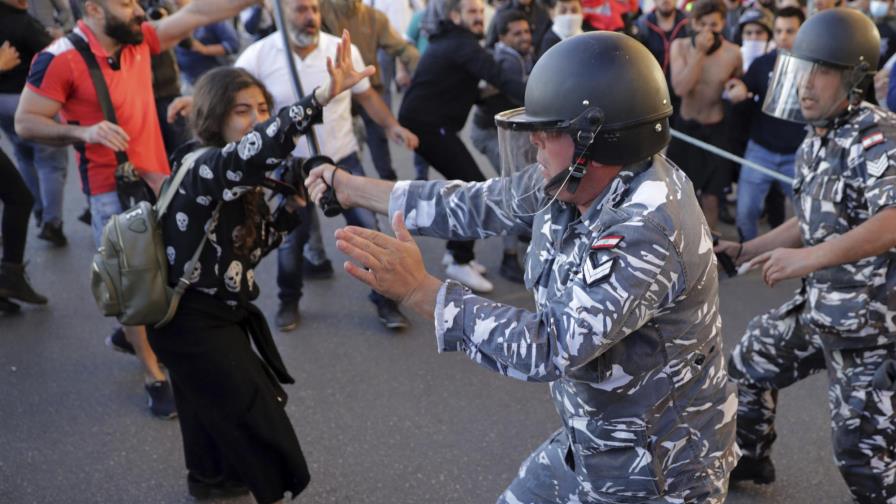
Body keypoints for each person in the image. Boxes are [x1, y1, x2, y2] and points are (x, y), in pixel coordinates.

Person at [307, 31, 739, 503]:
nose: (535, 141)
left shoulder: (647, 226)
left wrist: (421, 291)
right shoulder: (571, 179)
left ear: (597, 141)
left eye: (549, 131)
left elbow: (551, 346)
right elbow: (479, 203)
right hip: (597, 440)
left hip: (658, 471)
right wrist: (351, 188)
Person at [15, 0, 264, 418]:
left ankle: (135, 333)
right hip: (110, 190)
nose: (138, 9)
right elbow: (26, 121)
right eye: (126, 2)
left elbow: (200, 14)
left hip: (160, 181)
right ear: (93, 9)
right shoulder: (58, 60)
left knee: (167, 273)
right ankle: (153, 373)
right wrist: (83, 131)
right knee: (134, 284)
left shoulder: (137, 41)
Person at [148, 41, 371, 501]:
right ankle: (264, 486)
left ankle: (212, 482)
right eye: (242, 111)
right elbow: (256, 148)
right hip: (189, 320)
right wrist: (319, 97)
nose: (254, 119)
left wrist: (291, 207)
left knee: (205, 411)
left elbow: (245, 255)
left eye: (263, 108)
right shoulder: (207, 165)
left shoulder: (236, 179)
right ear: (215, 117)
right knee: (256, 413)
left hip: (211, 313)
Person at [714, 9, 896, 502]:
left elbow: (892, 220)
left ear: (854, 79)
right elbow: (814, 217)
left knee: (862, 458)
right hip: (824, 307)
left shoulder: (877, 137)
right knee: (748, 362)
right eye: (801, 69)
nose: (805, 84)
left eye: (822, 71)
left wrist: (809, 260)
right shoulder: (816, 141)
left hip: (874, 326)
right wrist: (747, 248)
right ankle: (750, 457)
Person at [235, 0, 415, 331]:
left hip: (342, 159)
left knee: (368, 233)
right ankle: (289, 300)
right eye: (301, 9)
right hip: (291, 168)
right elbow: (235, 99)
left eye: (315, 10)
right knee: (292, 239)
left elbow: (366, 95)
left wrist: (392, 126)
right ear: (279, 12)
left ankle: (386, 302)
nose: (311, 18)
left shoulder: (339, 50)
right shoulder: (258, 56)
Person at [398, 0, 525, 293]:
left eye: (481, 12)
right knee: (473, 187)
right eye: (472, 12)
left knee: (465, 185)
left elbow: (465, 85)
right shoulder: (462, 44)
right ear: (455, 16)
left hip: (430, 122)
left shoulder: (456, 41)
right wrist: (540, 98)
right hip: (427, 125)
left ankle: (455, 252)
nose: (479, 18)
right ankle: (459, 258)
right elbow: (500, 78)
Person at [725, 6, 805, 241]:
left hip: (798, 154)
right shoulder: (762, 63)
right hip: (760, 150)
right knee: (745, 212)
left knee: (808, 213)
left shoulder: (816, 65)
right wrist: (737, 90)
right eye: (778, 30)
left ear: (803, 31)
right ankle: (747, 255)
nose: (782, 36)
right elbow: (744, 88)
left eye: (790, 31)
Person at [319, 0, 420, 182]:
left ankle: (388, 183)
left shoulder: (374, 17)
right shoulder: (322, 10)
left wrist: (425, 69)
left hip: (368, 89)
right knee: (342, 151)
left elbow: (401, 48)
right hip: (336, 92)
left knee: (379, 140)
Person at [0, 0, 71, 248]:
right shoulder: (24, 23)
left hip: (3, 103)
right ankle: (52, 222)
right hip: (29, 102)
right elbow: (56, 54)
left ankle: (39, 210)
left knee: (25, 156)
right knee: (52, 162)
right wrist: (56, 39)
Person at [668, 0, 742, 230]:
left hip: (716, 128)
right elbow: (680, 88)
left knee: (711, 198)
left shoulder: (734, 53)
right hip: (686, 128)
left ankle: (709, 249)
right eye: (702, 24)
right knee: (678, 194)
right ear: (693, 24)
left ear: (723, 24)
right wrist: (699, 52)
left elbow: (737, 82)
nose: (708, 30)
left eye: (714, 24)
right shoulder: (679, 46)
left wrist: (736, 87)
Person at [469, 9, 531, 283]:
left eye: (527, 31)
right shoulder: (505, 61)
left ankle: (524, 240)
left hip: (507, 132)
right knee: (514, 189)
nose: (524, 37)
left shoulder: (520, 55)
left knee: (522, 186)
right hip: (490, 135)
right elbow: (521, 94)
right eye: (517, 33)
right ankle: (509, 257)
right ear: (503, 37)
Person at [173, 0, 241, 86]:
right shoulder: (171, 19)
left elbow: (233, 44)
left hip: (217, 79)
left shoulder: (210, 16)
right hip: (190, 82)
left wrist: (204, 49)